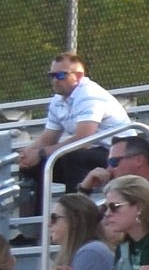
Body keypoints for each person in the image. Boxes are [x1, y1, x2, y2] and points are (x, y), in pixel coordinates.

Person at [17, 51, 129, 200]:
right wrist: (30, 153)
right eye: (52, 76)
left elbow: (83, 139)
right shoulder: (58, 100)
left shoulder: (89, 95)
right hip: (92, 152)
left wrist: (42, 153)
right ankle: (36, 220)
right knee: (31, 166)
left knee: (74, 156)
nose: (56, 80)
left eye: (61, 75)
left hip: (119, 154)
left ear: (78, 76)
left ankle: (73, 213)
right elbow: (48, 139)